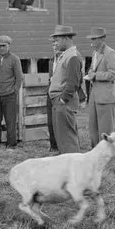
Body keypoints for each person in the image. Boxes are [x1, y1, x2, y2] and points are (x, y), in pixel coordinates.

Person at [47, 25, 85, 154]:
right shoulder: (66, 55)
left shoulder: (72, 56)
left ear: (66, 39)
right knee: (63, 139)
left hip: (64, 103)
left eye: (57, 40)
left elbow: (73, 83)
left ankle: (75, 168)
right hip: (60, 101)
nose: (55, 43)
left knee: (67, 139)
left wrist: (62, 100)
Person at [84, 27, 115, 148]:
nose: (92, 42)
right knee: (93, 126)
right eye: (91, 39)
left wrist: (96, 76)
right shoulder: (95, 53)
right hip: (94, 95)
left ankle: (107, 151)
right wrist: (90, 73)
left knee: (105, 128)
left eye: (95, 39)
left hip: (106, 97)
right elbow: (92, 68)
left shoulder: (110, 53)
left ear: (102, 39)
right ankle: (96, 150)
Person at [0, 35, 23, 148]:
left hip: (9, 95)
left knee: (10, 121)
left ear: (9, 46)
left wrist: (14, 91)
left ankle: (11, 144)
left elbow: (19, 77)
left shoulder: (14, 59)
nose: (1, 48)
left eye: (3, 46)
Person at [46, 42, 60, 152]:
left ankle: (61, 146)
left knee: (59, 121)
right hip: (50, 92)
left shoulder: (65, 60)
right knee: (50, 121)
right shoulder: (51, 60)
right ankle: (53, 145)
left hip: (60, 93)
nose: (55, 48)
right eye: (53, 46)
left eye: (56, 45)